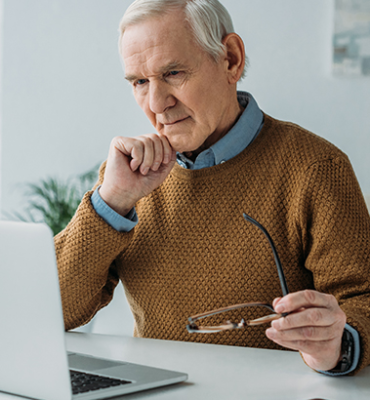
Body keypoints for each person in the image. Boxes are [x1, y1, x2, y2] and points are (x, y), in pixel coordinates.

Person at [55, 0, 370, 376]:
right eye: (139, 82)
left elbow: (362, 301)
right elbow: (51, 312)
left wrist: (339, 343)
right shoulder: (124, 179)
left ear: (231, 60)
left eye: (173, 72)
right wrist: (112, 202)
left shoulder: (316, 168)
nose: (157, 104)